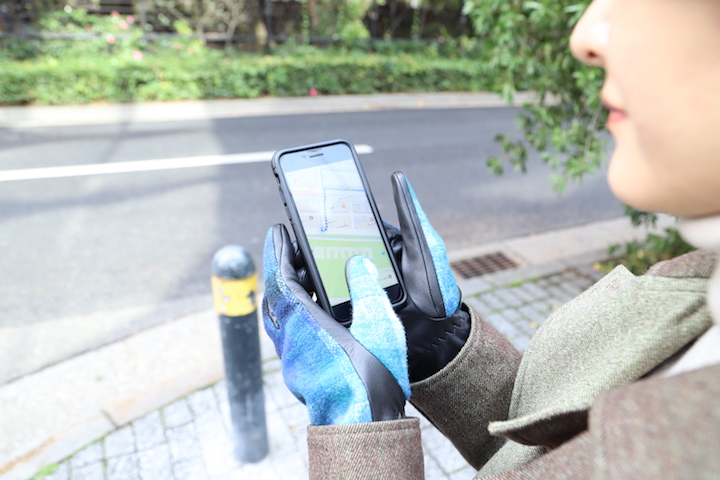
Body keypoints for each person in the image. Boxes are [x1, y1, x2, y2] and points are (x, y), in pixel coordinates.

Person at [261, 0, 720, 477]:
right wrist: (437, 341)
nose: (584, 35)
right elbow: (535, 453)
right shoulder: (699, 289)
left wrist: (358, 430)